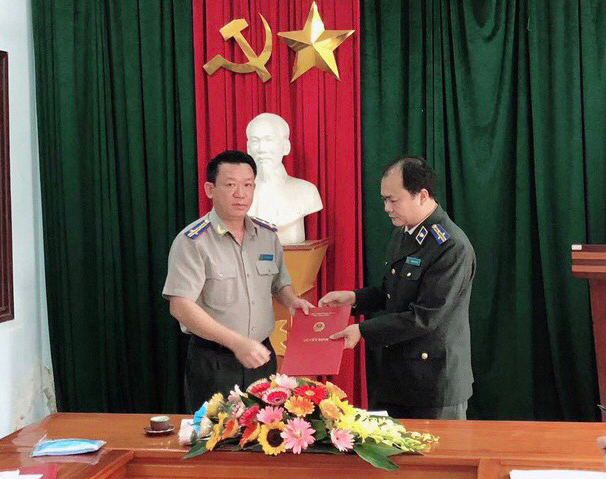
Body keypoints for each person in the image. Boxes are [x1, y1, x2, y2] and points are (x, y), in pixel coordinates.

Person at [319, 156, 475, 419]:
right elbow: (392, 293)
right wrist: (353, 299)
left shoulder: (451, 246)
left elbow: (425, 317)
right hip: (397, 377)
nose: (386, 208)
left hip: (433, 383)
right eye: (384, 200)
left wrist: (363, 330)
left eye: (393, 200)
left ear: (421, 196)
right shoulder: (405, 231)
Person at [163, 150, 313, 412]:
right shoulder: (193, 241)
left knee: (266, 430)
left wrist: (291, 301)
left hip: (261, 356)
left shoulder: (267, 235)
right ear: (210, 189)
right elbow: (180, 306)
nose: (240, 194)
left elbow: (279, 283)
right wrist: (237, 343)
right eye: (230, 185)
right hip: (215, 361)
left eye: (248, 185)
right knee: (215, 433)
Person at [246, 113, 323, 244]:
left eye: (269, 140)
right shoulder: (239, 194)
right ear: (248, 148)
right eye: (255, 141)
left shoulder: (307, 191)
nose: (261, 149)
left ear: (286, 147)